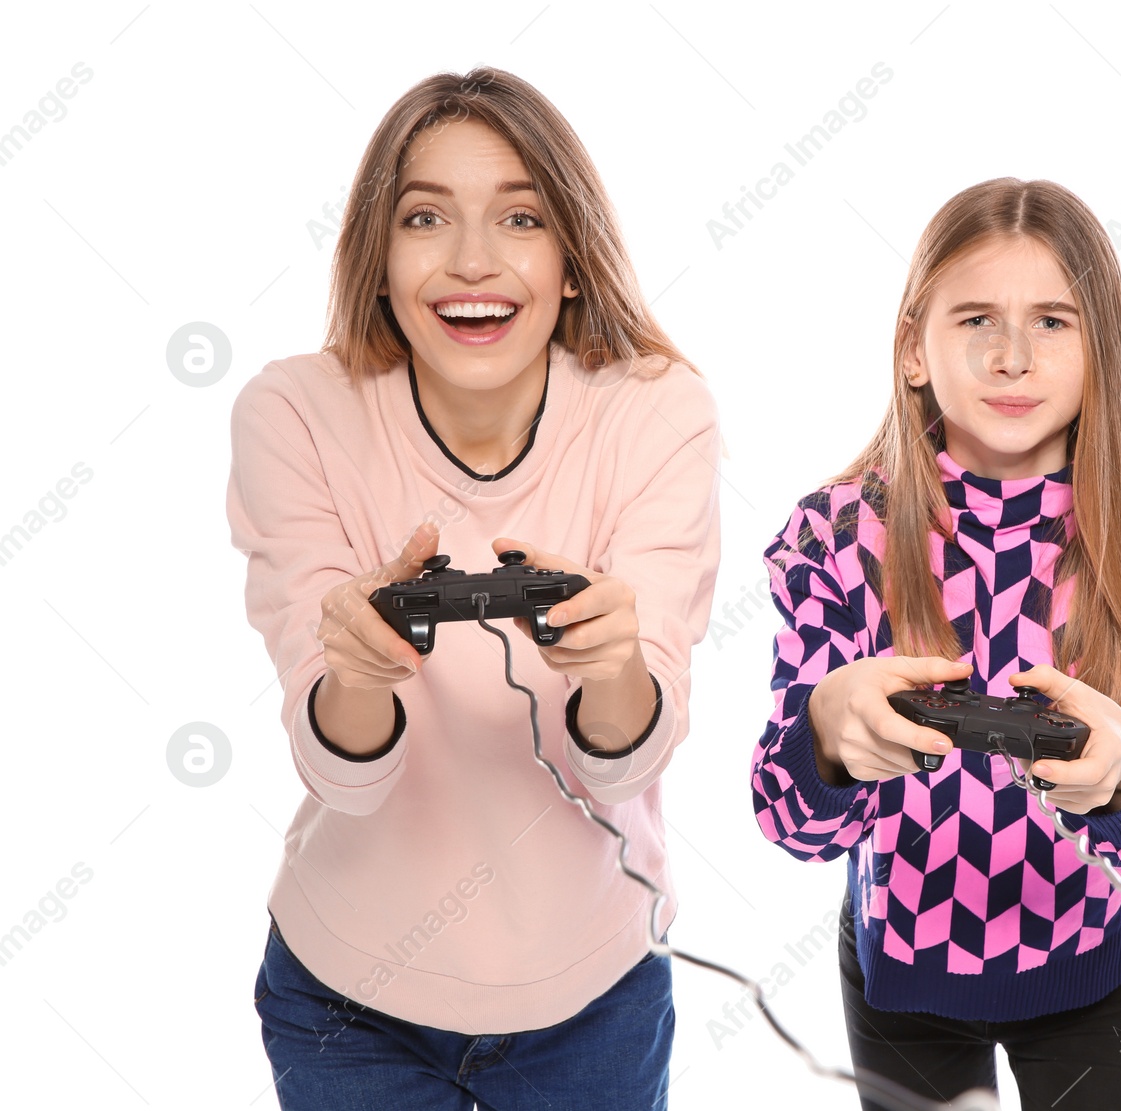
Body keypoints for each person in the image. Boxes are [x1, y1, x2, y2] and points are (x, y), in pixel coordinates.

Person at [227, 66, 721, 1110]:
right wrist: (357, 669)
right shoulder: (293, 413)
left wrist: (614, 666)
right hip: (347, 995)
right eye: (424, 218)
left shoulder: (657, 413)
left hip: (595, 993)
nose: (471, 263)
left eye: (521, 218)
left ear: (573, 260)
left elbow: (630, 756)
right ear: (376, 259)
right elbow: (346, 774)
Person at [750, 177, 1121, 1110]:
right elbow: (788, 822)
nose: (1013, 357)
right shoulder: (836, 534)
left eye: (1054, 322)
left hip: (1103, 975)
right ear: (913, 350)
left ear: (1105, 350)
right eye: (976, 318)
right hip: (904, 981)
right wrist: (824, 734)